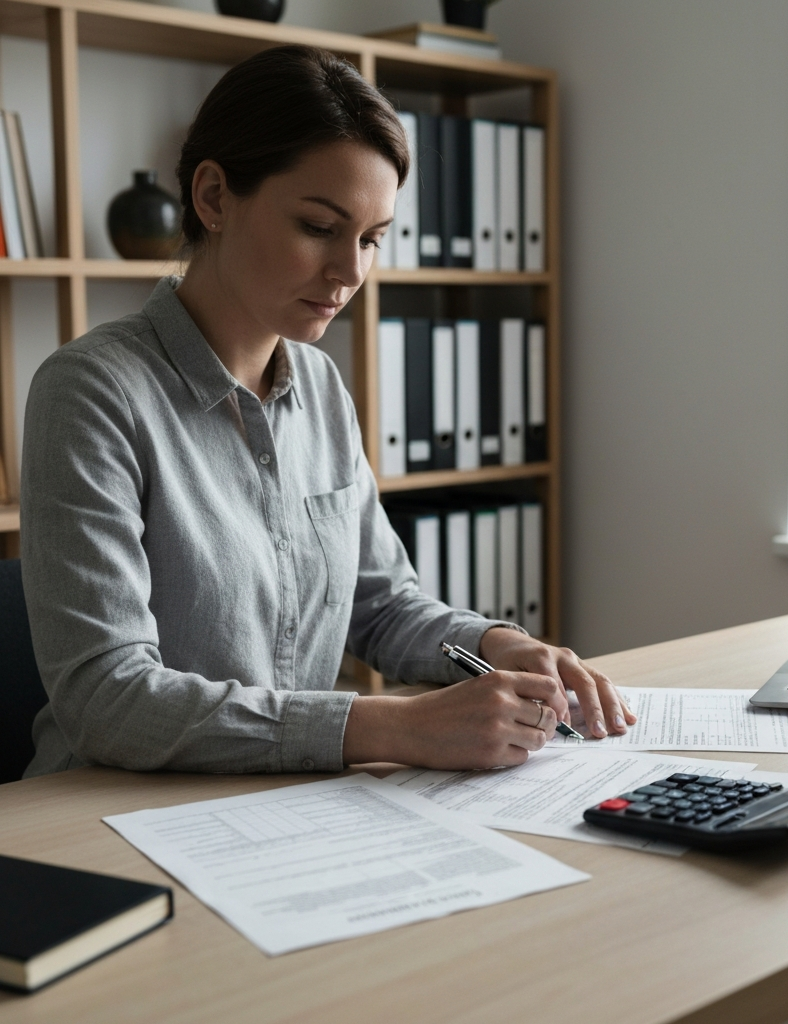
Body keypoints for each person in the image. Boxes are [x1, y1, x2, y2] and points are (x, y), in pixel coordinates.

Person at [19, 45, 634, 779]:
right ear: (213, 198)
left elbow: (380, 606)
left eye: (371, 239)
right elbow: (106, 699)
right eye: (318, 227)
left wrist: (495, 641)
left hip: (286, 803)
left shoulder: (319, 385)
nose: (349, 273)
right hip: (110, 819)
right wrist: (393, 726)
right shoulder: (91, 392)